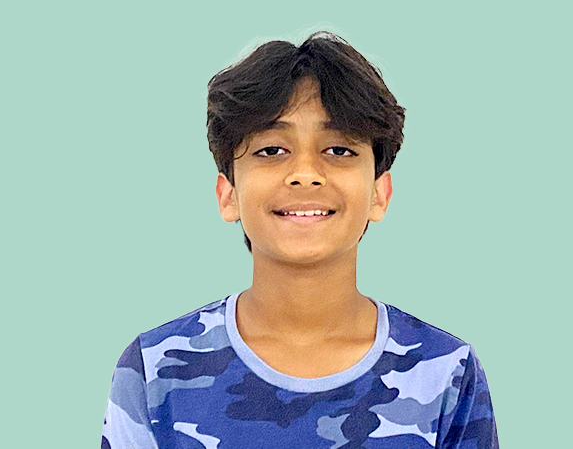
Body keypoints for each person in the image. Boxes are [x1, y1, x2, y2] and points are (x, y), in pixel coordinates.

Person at [101, 30, 500, 449]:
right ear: (228, 194)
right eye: (272, 150)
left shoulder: (447, 373)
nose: (305, 173)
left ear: (379, 194)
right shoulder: (153, 371)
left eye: (339, 150)